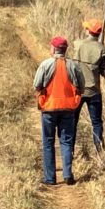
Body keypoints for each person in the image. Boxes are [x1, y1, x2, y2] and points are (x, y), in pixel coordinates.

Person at [33, 36, 84, 186]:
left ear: (54, 49)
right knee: (66, 141)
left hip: (49, 108)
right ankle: (68, 175)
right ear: (65, 50)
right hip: (69, 108)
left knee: (48, 142)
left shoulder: (45, 64)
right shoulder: (73, 66)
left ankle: (50, 178)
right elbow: (81, 86)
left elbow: (37, 85)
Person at [71, 18, 105, 153]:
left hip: (78, 91)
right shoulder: (103, 50)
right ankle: (100, 152)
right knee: (97, 123)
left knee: (72, 122)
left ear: (88, 31)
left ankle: (69, 151)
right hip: (94, 92)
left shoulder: (78, 44)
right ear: (99, 33)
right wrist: (100, 51)